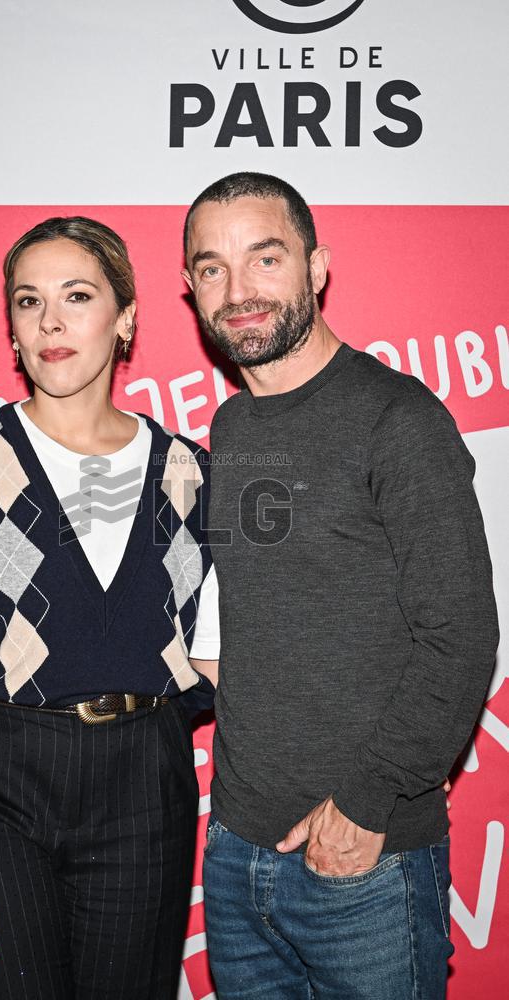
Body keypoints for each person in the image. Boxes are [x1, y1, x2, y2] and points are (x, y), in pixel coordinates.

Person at [0, 215, 220, 999]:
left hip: (145, 784)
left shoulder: (193, 475)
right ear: (13, 329)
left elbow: (220, 660)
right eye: (29, 301)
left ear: (126, 319)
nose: (51, 321)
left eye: (77, 296)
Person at [180, 171, 499, 999]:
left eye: (266, 258)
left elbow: (461, 636)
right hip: (237, 853)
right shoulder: (231, 426)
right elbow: (259, 615)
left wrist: (365, 803)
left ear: (317, 268)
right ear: (190, 288)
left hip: (366, 857)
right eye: (213, 268)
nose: (239, 291)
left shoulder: (398, 420)